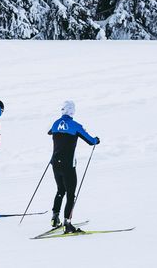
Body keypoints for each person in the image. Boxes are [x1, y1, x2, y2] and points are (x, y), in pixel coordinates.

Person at [48, 100, 100, 233]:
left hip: (55, 163)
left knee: (60, 190)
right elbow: (91, 141)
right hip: (68, 165)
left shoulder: (55, 123)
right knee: (70, 194)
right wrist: (96, 140)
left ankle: (55, 217)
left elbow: (50, 132)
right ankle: (67, 223)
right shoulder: (76, 126)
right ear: (72, 111)